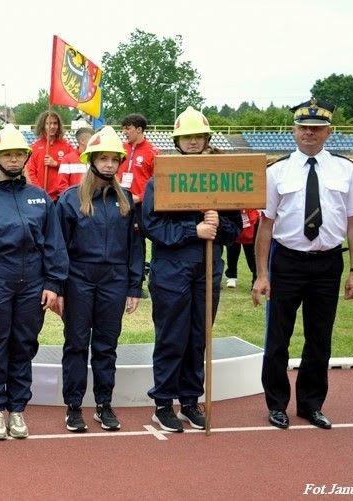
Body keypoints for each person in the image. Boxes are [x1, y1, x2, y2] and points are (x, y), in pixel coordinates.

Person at [253, 99, 353, 430]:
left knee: (319, 338)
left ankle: (311, 405)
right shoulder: (276, 171)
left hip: (328, 263)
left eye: (317, 128)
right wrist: (262, 274)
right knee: (277, 338)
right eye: (303, 127)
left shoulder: (347, 170)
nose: (310, 133)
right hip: (287, 261)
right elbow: (265, 226)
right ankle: (277, 405)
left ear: (329, 132)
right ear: (293, 131)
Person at [0, 124, 67, 440]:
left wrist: (53, 283)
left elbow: (54, 244)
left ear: (25, 158)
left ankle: (17, 409)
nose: (13, 159)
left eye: (18, 154)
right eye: (7, 154)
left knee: (24, 345)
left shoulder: (40, 198)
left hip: (33, 284)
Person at [142, 107, 241, 433]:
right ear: (177, 141)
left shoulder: (221, 180)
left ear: (207, 139)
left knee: (199, 337)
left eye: (198, 136)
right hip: (172, 268)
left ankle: (189, 400)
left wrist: (218, 223)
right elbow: (152, 226)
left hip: (208, 268)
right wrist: (193, 230)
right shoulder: (161, 179)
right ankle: (163, 403)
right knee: (172, 337)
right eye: (187, 137)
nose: (194, 142)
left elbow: (234, 229)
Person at [55, 126, 143, 433]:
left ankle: (104, 404)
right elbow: (58, 248)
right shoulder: (69, 200)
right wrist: (58, 287)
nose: (109, 164)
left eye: (114, 159)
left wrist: (134, 287)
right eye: (103, 158)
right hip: (78, 279)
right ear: (91, 160)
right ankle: (74, 406)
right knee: (76, 344)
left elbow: (135, 248)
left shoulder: (126, 200)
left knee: (107, 345)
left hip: (115, 280)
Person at [26, 111, 74, 201]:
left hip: (61, 196)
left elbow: (73, 169)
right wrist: (39, 191)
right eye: (48, 123)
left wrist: (56, 164)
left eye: (55, 123)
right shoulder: (34, 147)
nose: (52, 126)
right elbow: (30, 172)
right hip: (41, 195)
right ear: (42, 125)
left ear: (58, 126)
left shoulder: (67, 146)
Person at [116, 113, 160, 204]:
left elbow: (157, 181)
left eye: (128, 128)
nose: (124, 132)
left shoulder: (153, 152)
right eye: (123, 129)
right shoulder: (120, 149)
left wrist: (140, 197)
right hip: (119, 200)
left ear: (139, 129)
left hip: (140, 204)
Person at [225, 209, 260, 289]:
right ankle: (232, 276)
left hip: (250, 219)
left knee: (251, 254)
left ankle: (255, 277)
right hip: (234, 217)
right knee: (232, 252)